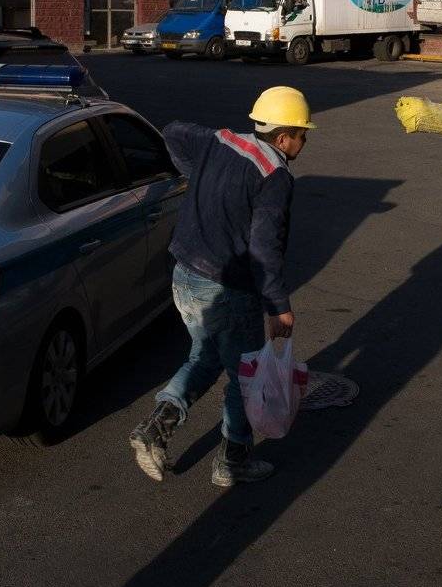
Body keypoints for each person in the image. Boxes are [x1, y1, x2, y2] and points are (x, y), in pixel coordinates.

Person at [130, 86, 315, 487]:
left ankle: (155, 427)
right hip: (227, 287)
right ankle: (234, 461)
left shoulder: (221, 140)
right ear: (283, 137)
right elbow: (264, 248)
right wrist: (278, 306)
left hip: (185, 274)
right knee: (244, 374)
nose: (304, 141)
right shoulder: (275, 176)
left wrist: (196, 173)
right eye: (303, 134)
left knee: (205, 357)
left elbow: (173, 131)